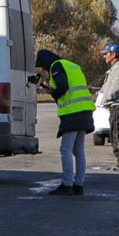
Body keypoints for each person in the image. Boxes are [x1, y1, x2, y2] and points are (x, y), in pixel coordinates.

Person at [35, 49, 95, 195]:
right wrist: (48, 88)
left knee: (66, 149)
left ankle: (67, 184)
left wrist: (53, 93)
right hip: (85, 110)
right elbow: (70, 88)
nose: (44, 70)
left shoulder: (56, 65)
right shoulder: (72, 65)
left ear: (47, 62)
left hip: (72, 112)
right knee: (78, 149)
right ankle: (78, 185)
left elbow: (63, 87)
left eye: (43, 67)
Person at [96, 42, 119, 171]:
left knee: (117, 135)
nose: (104, 56)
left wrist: (104, 100)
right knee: (116, 134)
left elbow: (115, 88)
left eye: (106, 54)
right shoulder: (118, 67)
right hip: (118, 105)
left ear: (114, 54)